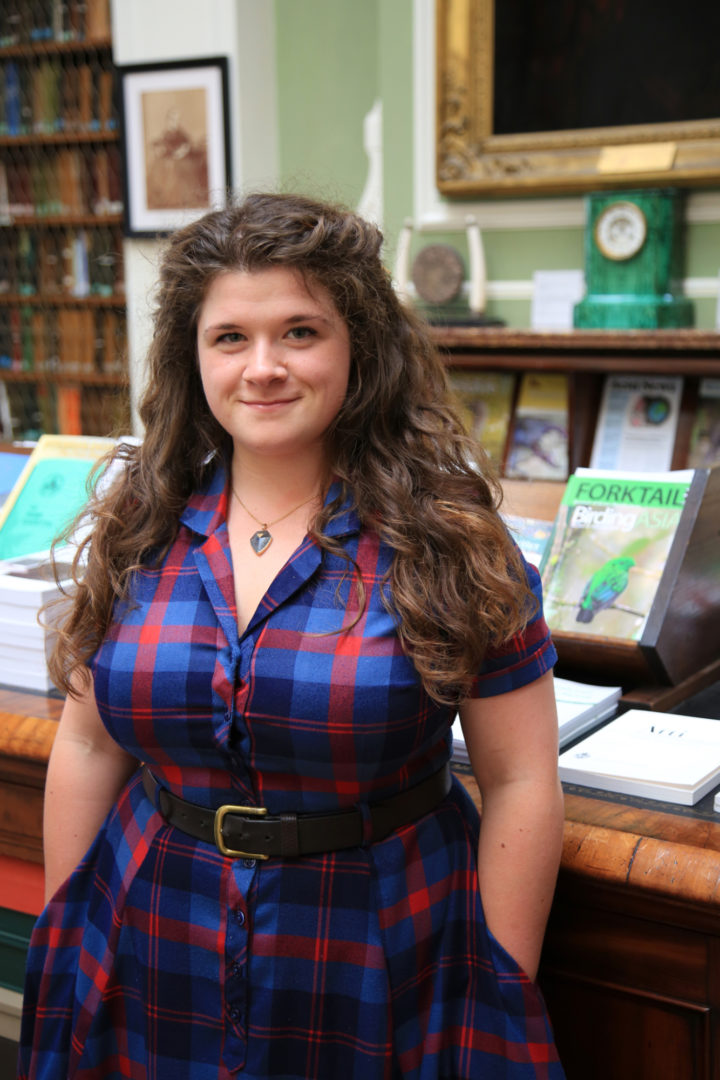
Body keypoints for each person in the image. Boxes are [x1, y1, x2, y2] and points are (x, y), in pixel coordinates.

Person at [19, 192, 566, 1080]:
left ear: (358, 347)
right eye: (230, 337)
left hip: (376, 948)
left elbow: (521, 780)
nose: (263, 367)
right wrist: (67, 932)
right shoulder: (140, 521)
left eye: (300, 332)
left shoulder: (450, 539)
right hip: (150, 932)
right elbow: (87, 745)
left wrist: (496, 989)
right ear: (193, 356)